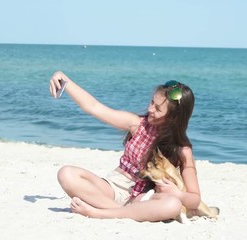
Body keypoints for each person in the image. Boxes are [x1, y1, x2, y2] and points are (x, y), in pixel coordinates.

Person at [49, 71, 201, 222]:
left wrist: (178, 194)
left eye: (158, 109)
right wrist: (65, 80)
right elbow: (94, 107)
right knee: (66, 174)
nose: (150, 109)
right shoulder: (137, 124)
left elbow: (194, 199)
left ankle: (100, 212)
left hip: (143, 199)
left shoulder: (182, 150)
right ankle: (120, 212)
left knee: (172, 205)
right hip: (111, 189)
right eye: (152, 102)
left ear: (173, 118)